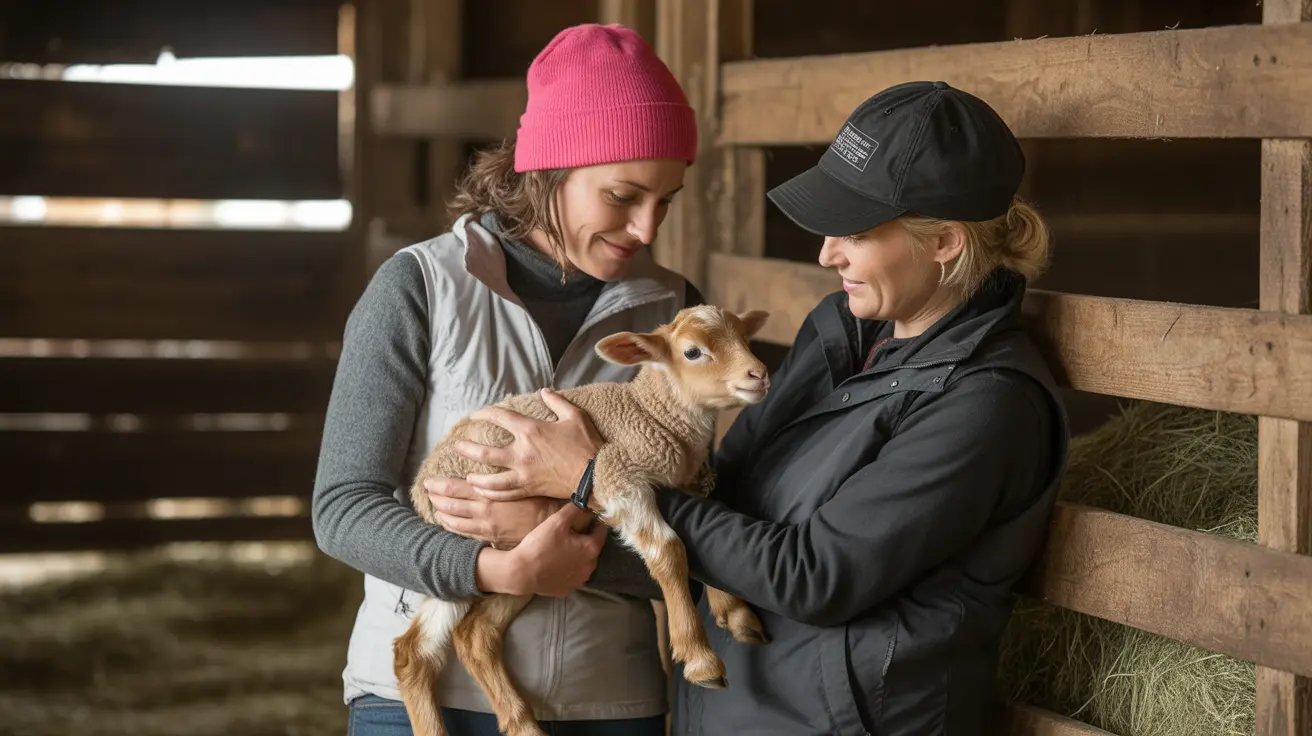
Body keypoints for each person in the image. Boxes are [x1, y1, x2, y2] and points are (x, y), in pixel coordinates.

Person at [432, 81, 1073, 735]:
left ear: (945, 243)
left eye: (854, 230)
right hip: (729, 709)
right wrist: (519, 539)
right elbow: (726, 487)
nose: (827, 253)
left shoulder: (986, 407)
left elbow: (816, 576)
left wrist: (595, 476)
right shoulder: (841, 332)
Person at [312, 23, 707, 736]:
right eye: (623, 194)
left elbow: (709, 527)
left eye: (666, 200)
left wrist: (571, 541)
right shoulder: (420, 287)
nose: (648, 228)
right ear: (548, 167)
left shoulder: (676, 314)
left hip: (609, 698)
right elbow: (343, 507)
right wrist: (495, 568)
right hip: (421, 703)